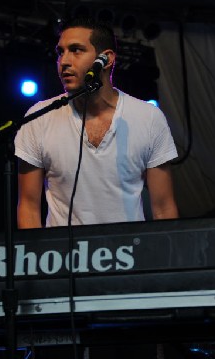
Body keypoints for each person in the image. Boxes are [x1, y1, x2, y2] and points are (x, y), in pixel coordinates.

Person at [14, 17, 179, 229]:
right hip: (61, 258)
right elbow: (28, 206)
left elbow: (164, 208)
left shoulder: (148, 118)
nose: (64, 61)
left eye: (76, 50)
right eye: (60, 52)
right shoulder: (39, 117)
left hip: (128, 255)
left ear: (106, 58)